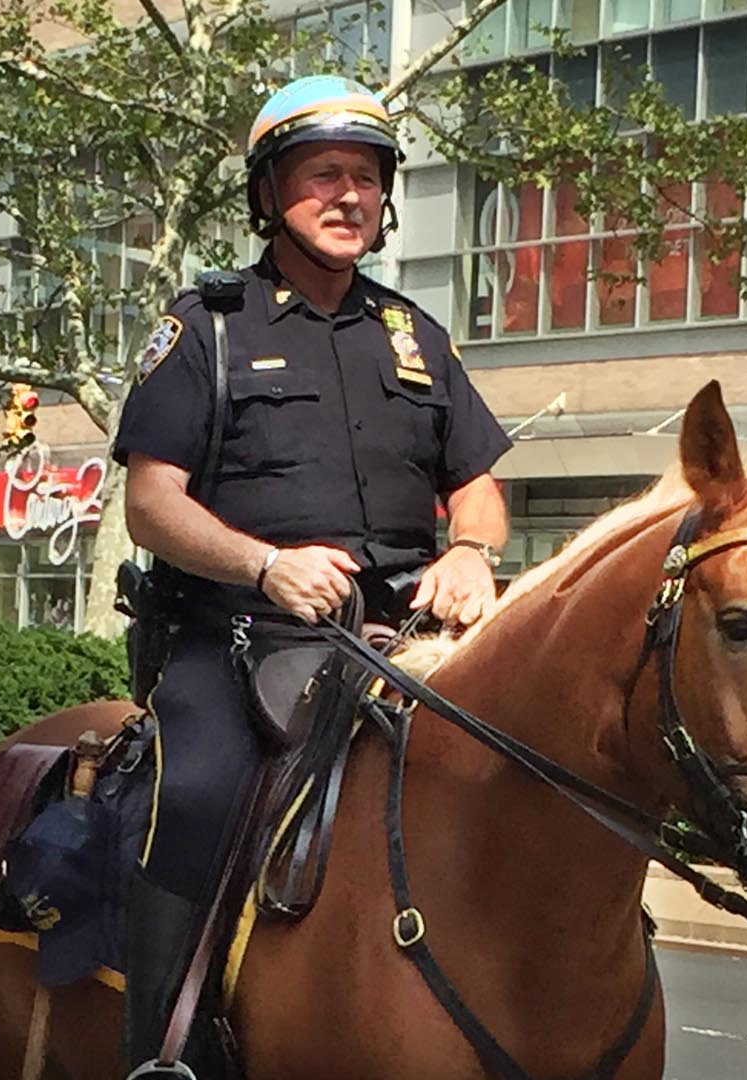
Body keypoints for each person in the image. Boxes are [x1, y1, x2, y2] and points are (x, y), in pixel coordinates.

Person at [110, 74, 513, 1077]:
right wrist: (264, 564)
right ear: (269, 195)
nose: (350, 196)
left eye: (368, 178)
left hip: (402, 646)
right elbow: (151, 504)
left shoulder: (416, 336)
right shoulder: (207, 325)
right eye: (323, 174)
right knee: (197, 791)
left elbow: (481, 490)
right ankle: (164, 1054)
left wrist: (470, 551)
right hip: (239, 637)